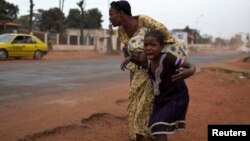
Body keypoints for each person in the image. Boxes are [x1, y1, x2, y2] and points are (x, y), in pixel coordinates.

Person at [109, 1, 189, 141]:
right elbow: (129, 54)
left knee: (146, 102)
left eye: (111, 14)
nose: (109, 18)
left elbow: (165, 35)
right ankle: (138, 134)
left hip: (156, 63)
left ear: (121, 13)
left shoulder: (143, 20)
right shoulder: (121, 31)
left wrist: (155, 55)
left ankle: (148, 134)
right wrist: (132, 78)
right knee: (133, 101)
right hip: (140, 66)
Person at [144, 30, 196, 141]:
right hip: (160, 99)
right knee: (155, 127)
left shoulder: (168, 58)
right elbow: (138, 60)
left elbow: (190, 66)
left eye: (153, 45)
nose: (148, 48)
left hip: (176, 98)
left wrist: (190, 71)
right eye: (146, 45)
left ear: (161, 47)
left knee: (158, 125)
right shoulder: (147, 61)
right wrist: (130, 58)